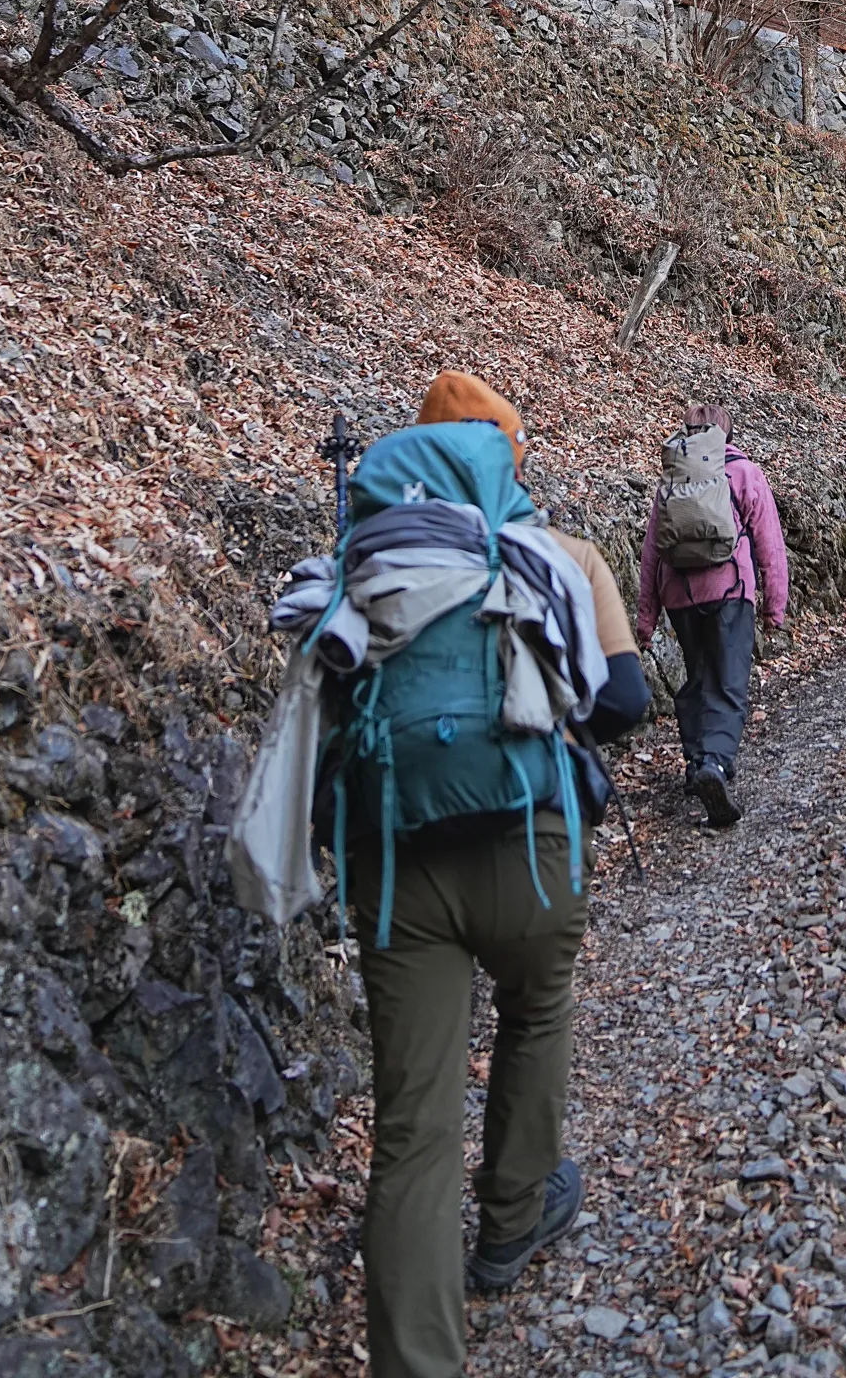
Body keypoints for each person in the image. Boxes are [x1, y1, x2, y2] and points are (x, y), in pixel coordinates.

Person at [350, 370, 648, 1378]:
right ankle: (514, 1218)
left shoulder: (370, 557)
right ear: (507, 457)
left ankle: (417, 1359)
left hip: (398, 862)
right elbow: (624, 705)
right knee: (535, 1010)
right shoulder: (556, 552)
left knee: (414, 1130)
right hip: (530, 842)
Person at [636, 402, 789, 828]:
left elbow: (651, 551)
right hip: (730, 591)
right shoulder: (743, 472)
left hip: (679, 595)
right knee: (729, 685)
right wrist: (775, 606)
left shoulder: (673, 478)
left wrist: (646, 618)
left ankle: (696, 761)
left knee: (699, 676)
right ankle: (715, 765)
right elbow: (769, 543)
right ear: (727, 434)